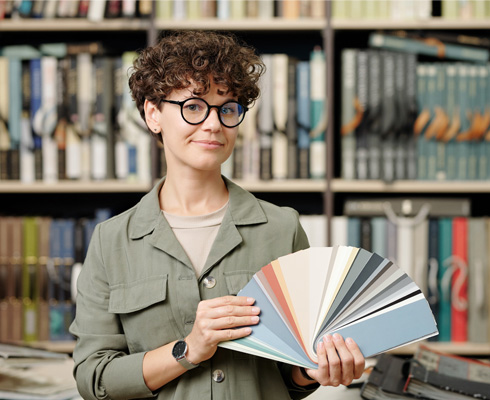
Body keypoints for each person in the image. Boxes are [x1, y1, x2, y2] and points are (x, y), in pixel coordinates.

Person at [70, 30, 365, 400]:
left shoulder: (282, 227)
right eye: (193, 106)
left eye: (227, 109)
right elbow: (94, 379)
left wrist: (314, 371)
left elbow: (293, 373)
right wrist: (188, 349)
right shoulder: (111, 240)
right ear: (153, 114)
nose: (213, 124)